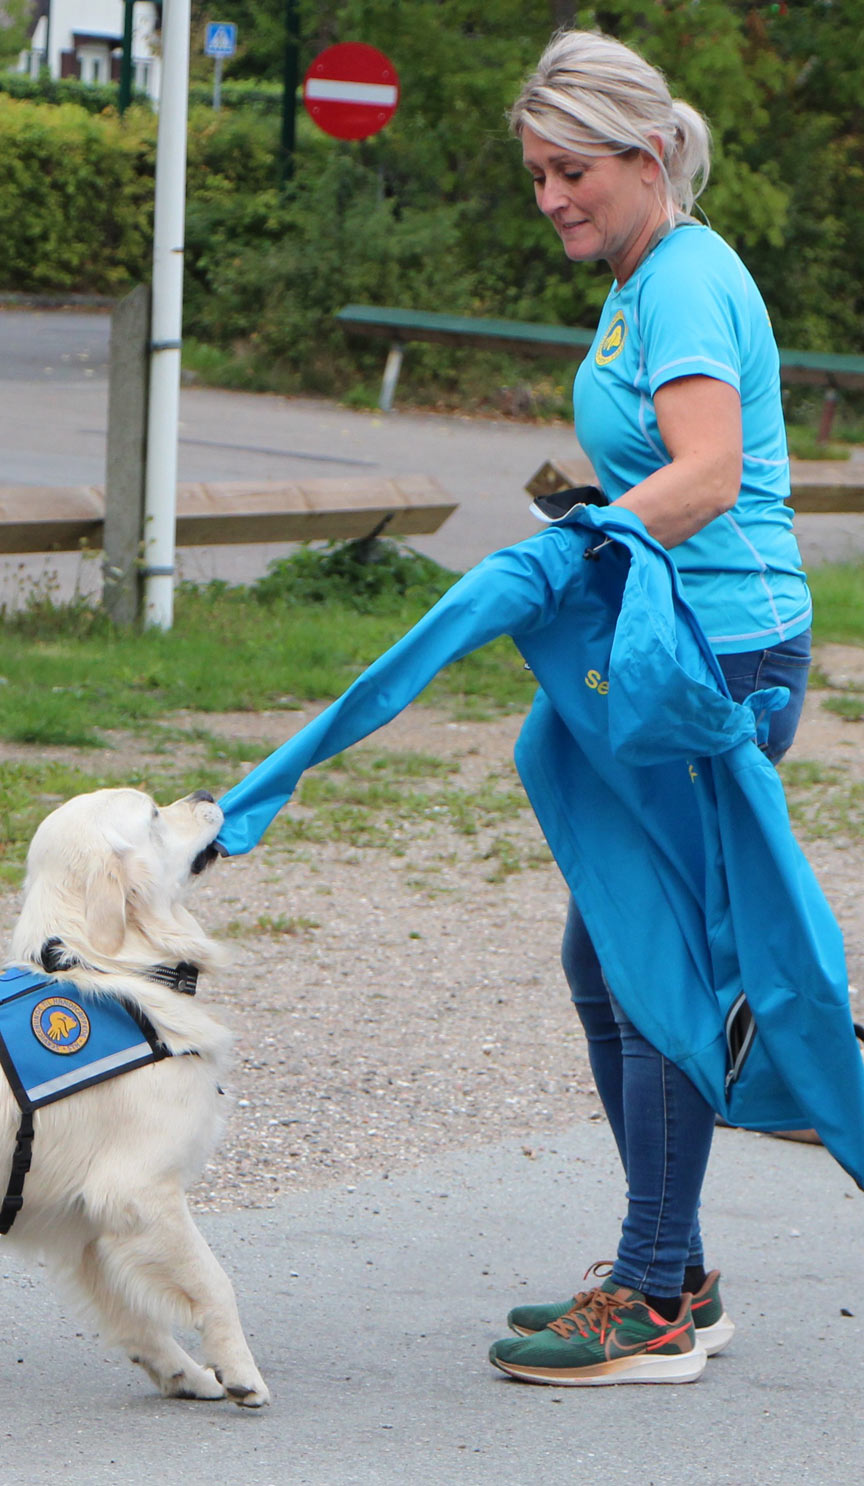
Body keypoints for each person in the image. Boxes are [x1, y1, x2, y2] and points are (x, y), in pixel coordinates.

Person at [489, 30, 813, 1386]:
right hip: (676, 647)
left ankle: (654, 1295)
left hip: (717, 660)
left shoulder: (680, 279)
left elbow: (709, 473)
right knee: (604, 958)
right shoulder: (646, 276)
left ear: (643, 154)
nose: (551, 197)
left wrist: (583, 542)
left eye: (571, 170)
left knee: (647, 962)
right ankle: (671, 1268)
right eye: (537, 176)